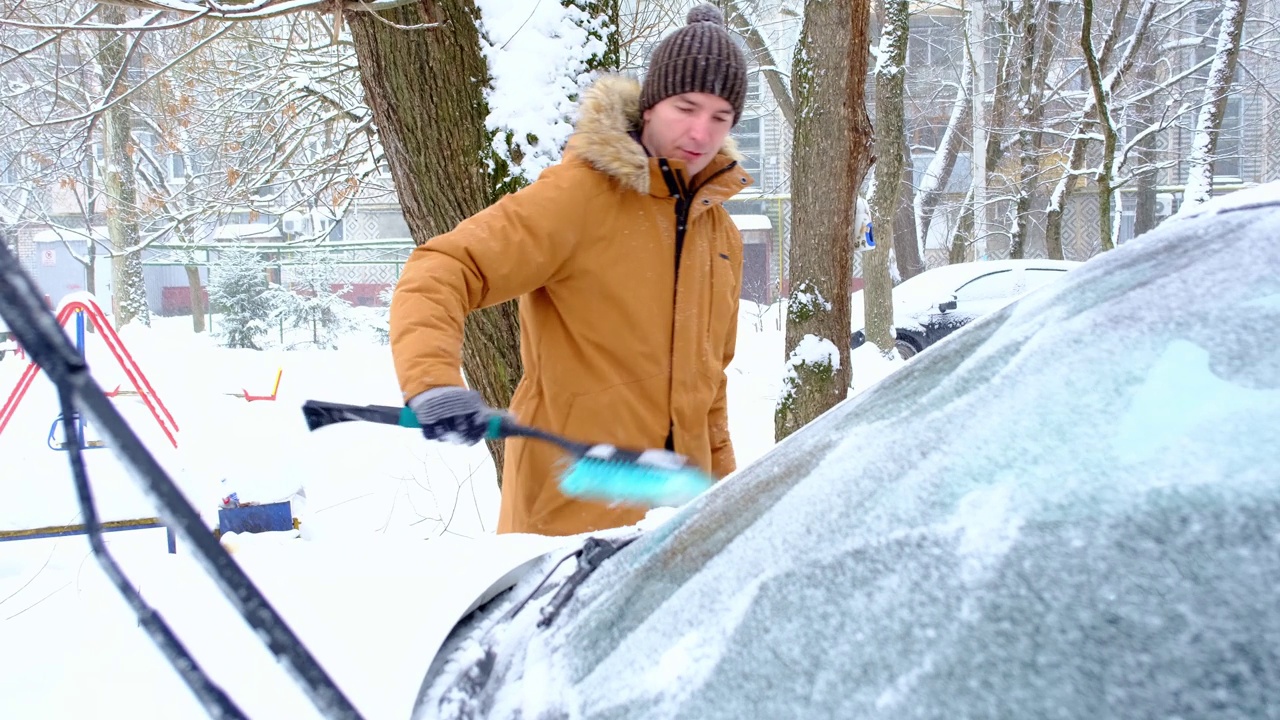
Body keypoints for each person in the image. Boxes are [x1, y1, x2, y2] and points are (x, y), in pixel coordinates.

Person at [389, 4, 752, 536]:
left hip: (675, 528)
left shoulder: (720, 237)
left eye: (720, 117)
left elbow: (710, 394)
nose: (701, 132)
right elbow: (443, 266)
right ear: (650, 106)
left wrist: (726, 506)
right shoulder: (579, 196)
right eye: (686, 106)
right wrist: (430, 381)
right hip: (567, 526)